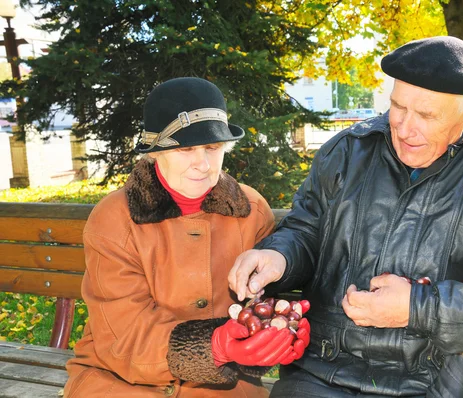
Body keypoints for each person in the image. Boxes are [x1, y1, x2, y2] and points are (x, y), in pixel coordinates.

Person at [228, 36, 463, 397]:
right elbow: (306, 229)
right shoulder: (347, 151)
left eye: (426, 115)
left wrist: (419, 309)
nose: (405, 128)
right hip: (328, 370)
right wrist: (279, 256)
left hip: (457, 376)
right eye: (398, 107)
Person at [64, 77, 309, 397]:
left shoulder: (251, 211)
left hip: (224, 386)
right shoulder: (114, 220)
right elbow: (123, 339)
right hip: (119, 379)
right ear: (154, 152)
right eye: (185, 148)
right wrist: (214, 346)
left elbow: (264, 304)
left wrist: (281, 328)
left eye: (212, 146)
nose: (203, 163)